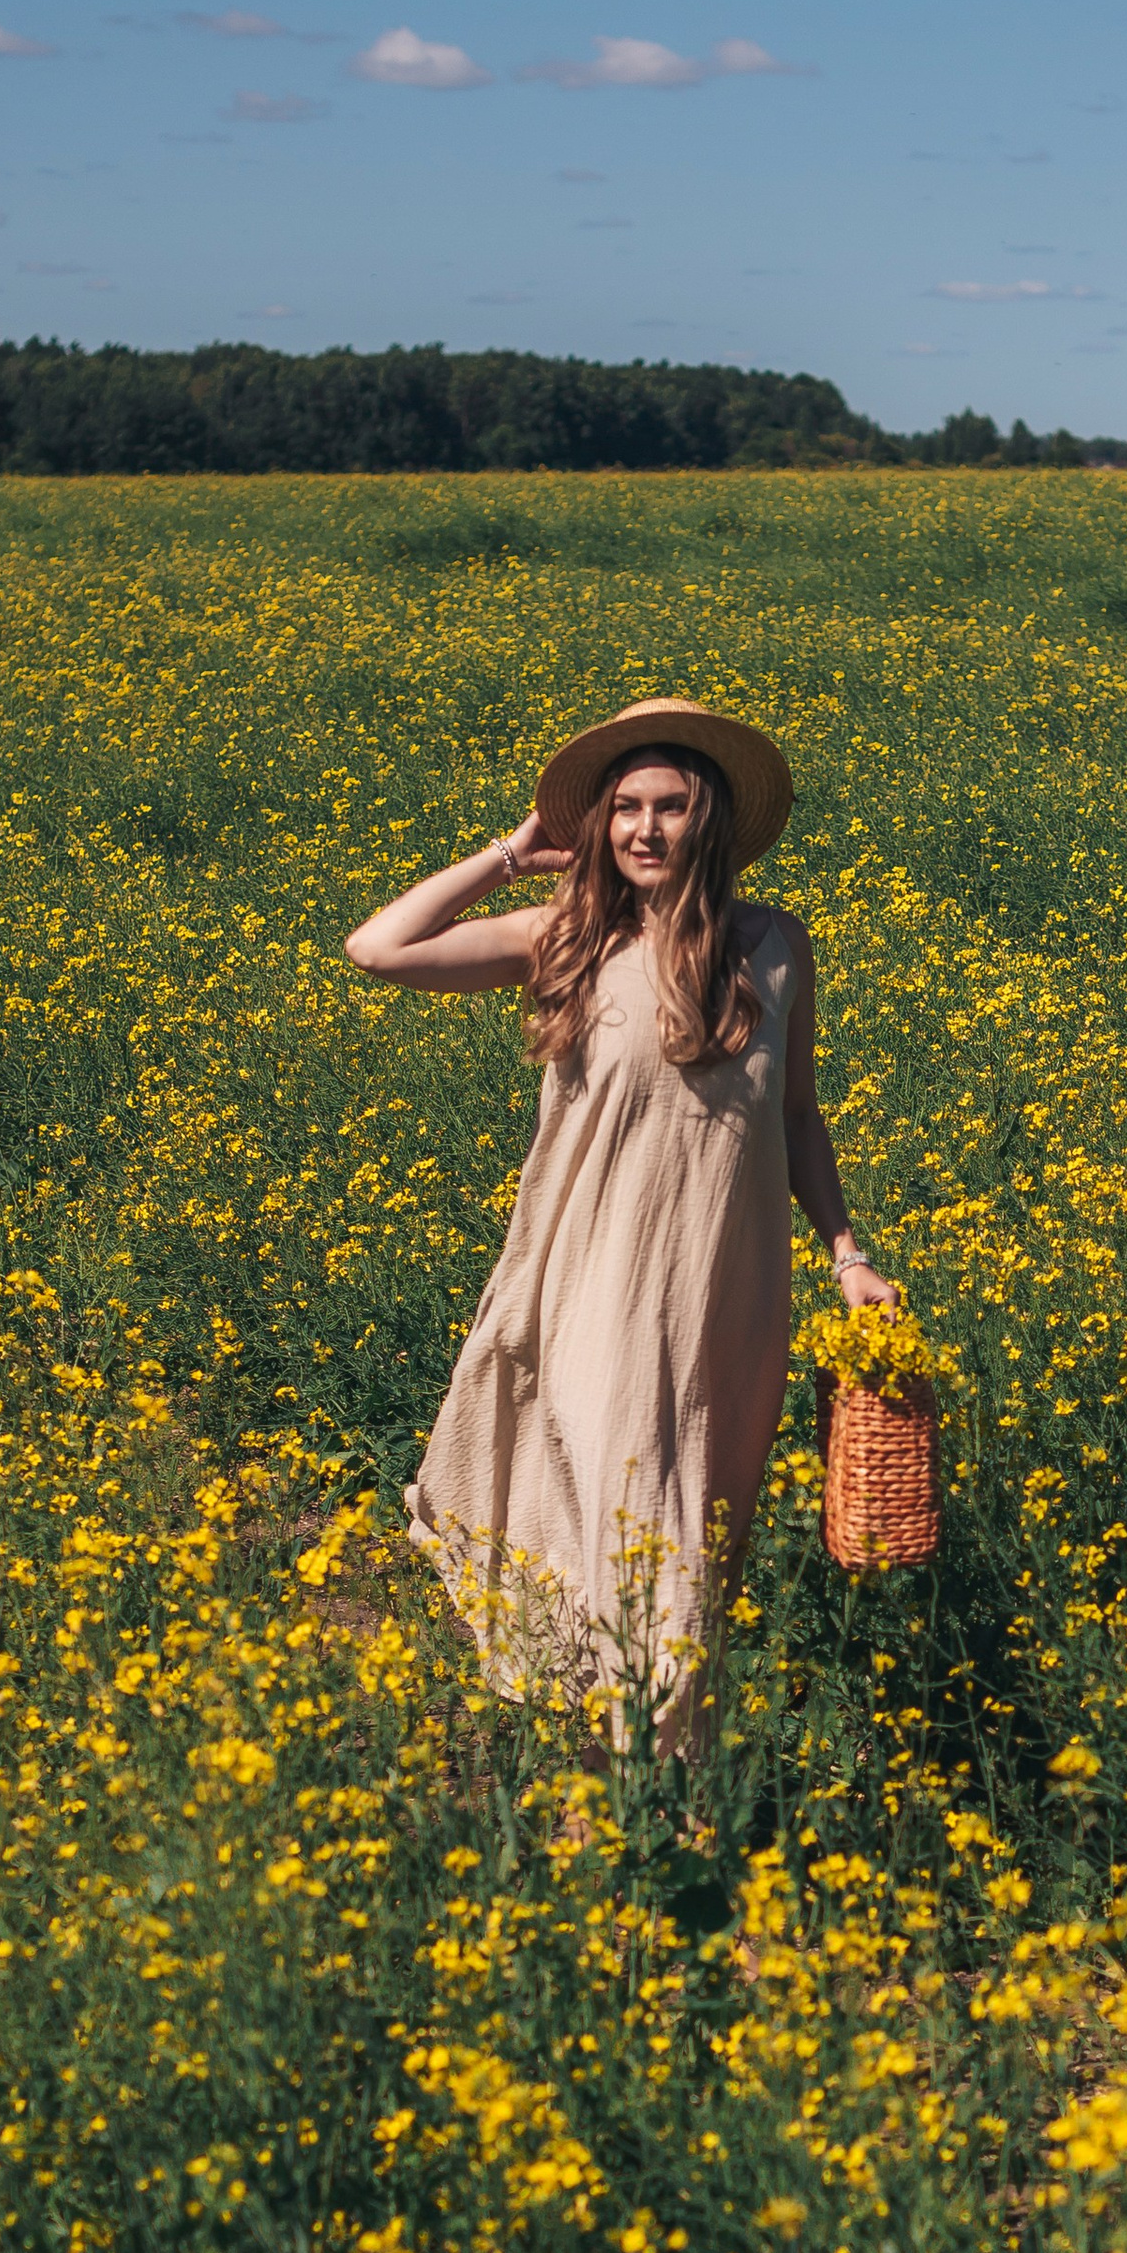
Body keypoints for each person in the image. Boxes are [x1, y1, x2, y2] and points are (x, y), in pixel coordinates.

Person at [343, 696, 895, 1726]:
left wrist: (847, 1254)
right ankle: (648, 1783)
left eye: (672, 806)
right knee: (630, 1523)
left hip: (726, 1301)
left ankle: (627, 1785)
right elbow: (377, 949)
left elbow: (799, 1115)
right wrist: (510, 853)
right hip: (596, 1288)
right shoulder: (566, 936)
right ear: (596, 825)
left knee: (692, 1539)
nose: (646, 828)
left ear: (712, 819)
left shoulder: (777, 946)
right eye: (626, 807)